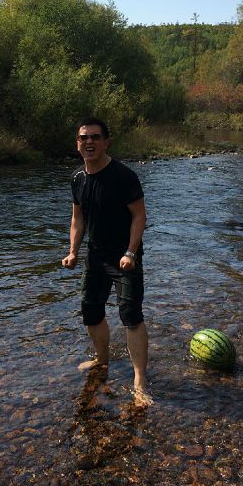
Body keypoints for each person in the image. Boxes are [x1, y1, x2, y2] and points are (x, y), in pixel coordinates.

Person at [62, 116, 152, 407]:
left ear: (106, 142)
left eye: (95, 137)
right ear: (78, 143)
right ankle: (102, 360)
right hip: (95, 255)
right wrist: (73, 251)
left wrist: (131, 252)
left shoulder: (123, 176)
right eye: (83, 137)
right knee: (90, 311)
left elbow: (139, 216)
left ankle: (139, 379)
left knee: (131, 315)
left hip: (125, 256)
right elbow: (78, 219)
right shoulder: (78, 178)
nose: (89, 142)